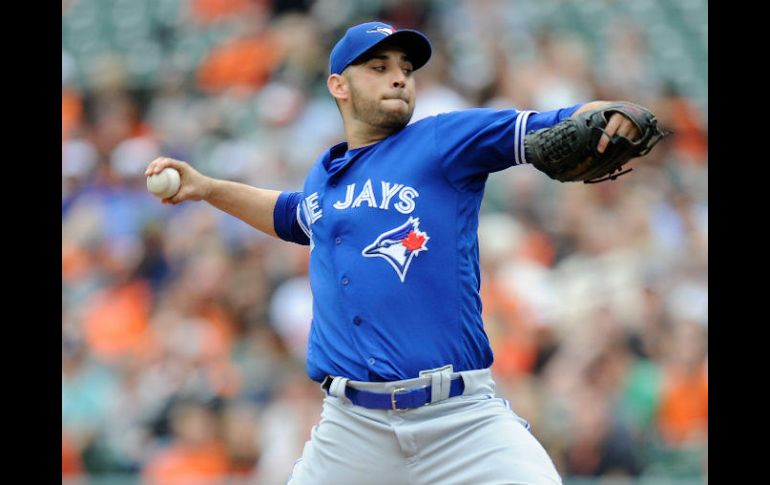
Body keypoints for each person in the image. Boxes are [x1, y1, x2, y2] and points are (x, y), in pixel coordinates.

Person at [146, 21, 645, 485]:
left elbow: (548, 123)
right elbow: (294, 216)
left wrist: (607, 115)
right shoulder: (326, 175)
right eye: (379, 68)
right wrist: (208, 188)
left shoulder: (442, 141)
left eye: (405, 69)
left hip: (460, 420)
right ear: (339, 85)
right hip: (351, 428)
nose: (399, 78)